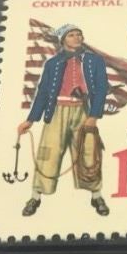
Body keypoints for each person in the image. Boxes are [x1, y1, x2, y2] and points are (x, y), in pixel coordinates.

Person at [17, 23, 109, 218]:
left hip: (83, 112)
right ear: (63, 40)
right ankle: (35, 196)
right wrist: (31, 119)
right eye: (71, 35)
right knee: (47, 153)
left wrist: (93, 116)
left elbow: (102, 88)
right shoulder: (52, 63)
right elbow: (43, 92)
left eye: (79, 34)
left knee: (89, 153)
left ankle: (96, 196)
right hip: (56, 112)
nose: (77, 38)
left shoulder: (95, 61)